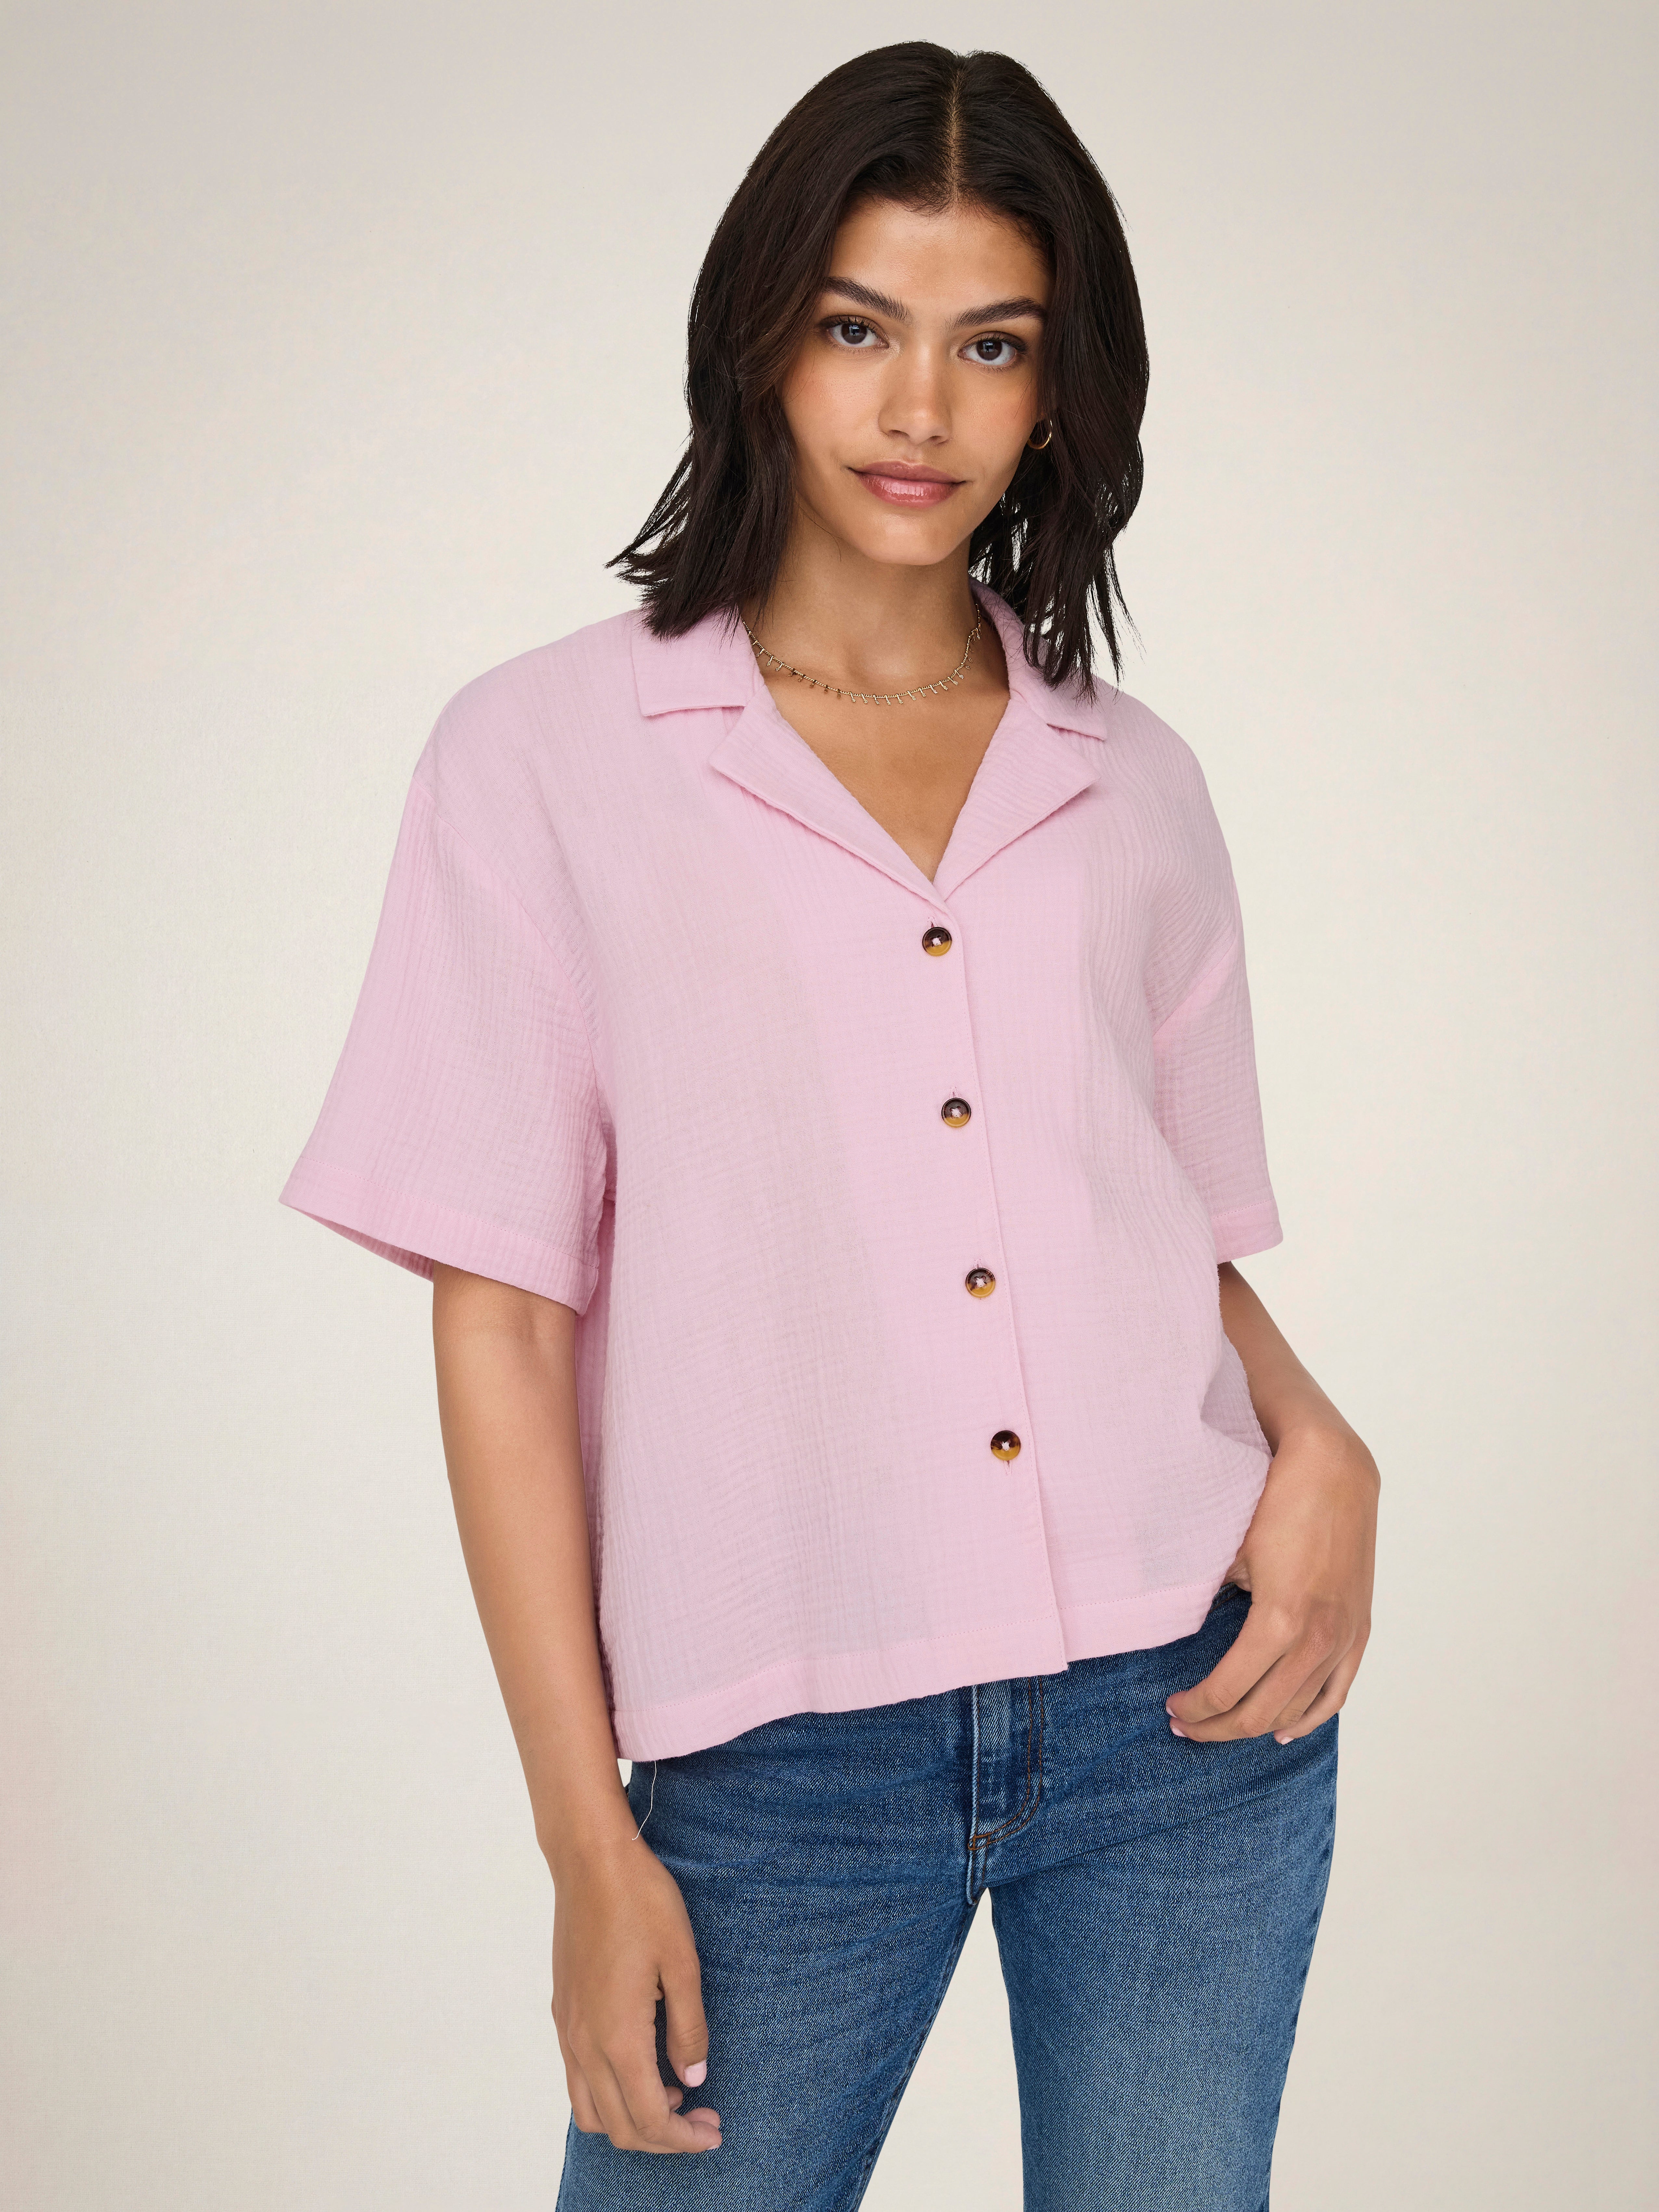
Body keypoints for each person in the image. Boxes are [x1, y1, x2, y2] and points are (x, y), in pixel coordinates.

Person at [279, 41, 1379, 2212]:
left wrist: (1321, 1440)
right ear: (763, 338)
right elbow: (501, 1315)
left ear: (1060, 391)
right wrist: (585, 1838)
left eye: (993, 345)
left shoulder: (1131, 777)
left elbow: (1142, 1223)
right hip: (774, 1753)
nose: (919, 408)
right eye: (860, 327)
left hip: (1189, 1711)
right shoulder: (543, 757)